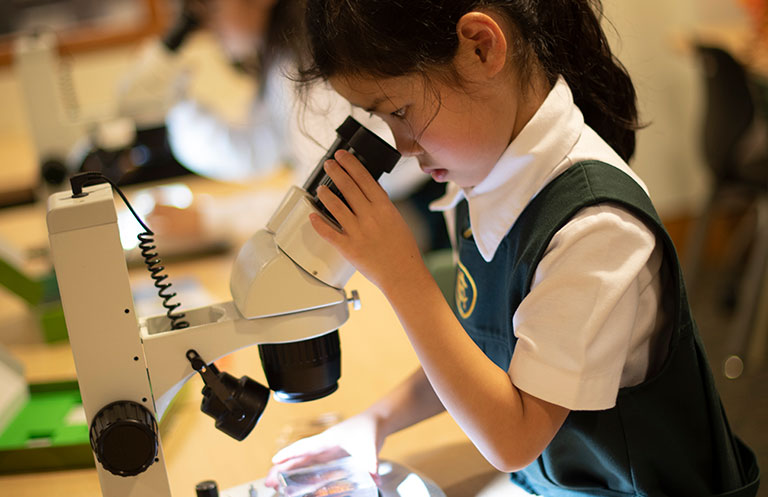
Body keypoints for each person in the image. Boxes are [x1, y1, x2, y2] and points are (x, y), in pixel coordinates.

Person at [265, 1, 761, 495]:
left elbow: (514, 438)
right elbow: (485, 354)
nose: (402, 147)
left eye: (400, 111)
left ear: (481, 47)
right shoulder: (482, 176)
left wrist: (399, 273)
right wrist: (374, 422)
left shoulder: (595, 227)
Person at [161, 0, 449, 251]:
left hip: (415, 210)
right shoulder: (284, 55)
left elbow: (323, 192)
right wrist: (176, 107)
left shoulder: (317, 56)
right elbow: (257, 148)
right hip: (380, 205)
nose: (207, 26)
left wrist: (214, 219)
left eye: (211, 8)